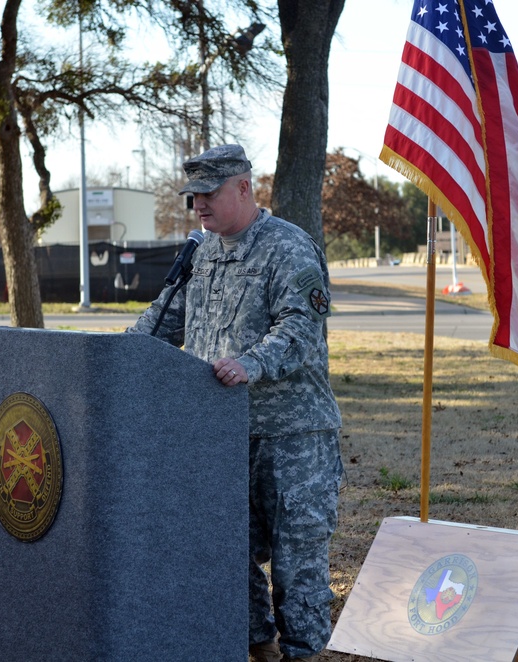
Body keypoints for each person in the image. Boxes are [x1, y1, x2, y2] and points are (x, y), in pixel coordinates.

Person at [129, 144, 343, 662]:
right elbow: (159, 324)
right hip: (218, 431)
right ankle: (258, 646)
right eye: (192, 197)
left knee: (297, 558)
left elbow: (301, 330)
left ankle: (303, 653)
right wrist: (110, 360)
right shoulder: (200, 254)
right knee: (224, 551)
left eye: (208, 194)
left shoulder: (289, 248)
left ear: (243, 188)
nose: (197, 206)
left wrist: (252, 362)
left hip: (291, 436)